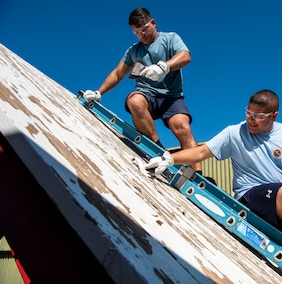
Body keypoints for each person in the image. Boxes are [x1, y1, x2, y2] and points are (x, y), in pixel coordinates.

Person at [145, 89, 282, 282]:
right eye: (248, 113)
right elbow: (203, 152)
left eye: (258, 116)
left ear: (274, 116)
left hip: (279, 203)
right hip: (250, 197)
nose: (251, 119)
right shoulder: (234, 133)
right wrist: (170, 158)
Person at [82, 7, 202, 173]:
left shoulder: (170, 38)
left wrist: (164, 67)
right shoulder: (134, 51)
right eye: (136, 32)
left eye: (144, 29)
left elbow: (185, 56)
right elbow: (118, 73)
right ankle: (157, 150)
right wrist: (99, 92)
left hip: (171, 97)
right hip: (147, 93)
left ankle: (198, 175)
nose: (142, 35)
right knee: (135, 101)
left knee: (182, 126)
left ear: (152, 23)